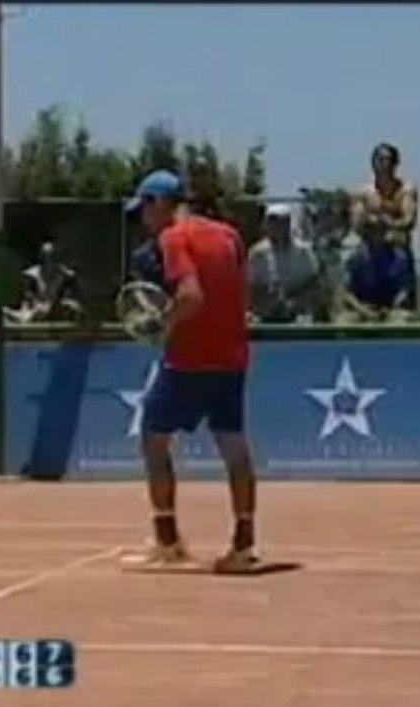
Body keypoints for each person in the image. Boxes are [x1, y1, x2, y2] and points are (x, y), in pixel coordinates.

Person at [120, 169, 259, 573]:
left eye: (144, 210)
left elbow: (191, 296)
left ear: (158, 203)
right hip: (232, 357)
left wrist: (162, 321)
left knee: (153, 438)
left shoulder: (172, 238)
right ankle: (243, 544)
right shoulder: (230, 235)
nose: (144, 221)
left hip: (189, 360)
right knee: (235, 449)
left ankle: (167, 541)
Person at [350, 142, 420, 310]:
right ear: (373, 163)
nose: (385, 165)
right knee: (356, 258)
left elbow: (408, 221)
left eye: (389, 160)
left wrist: (384, 222)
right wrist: (371, 221)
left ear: (396, 164)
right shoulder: (363, 193)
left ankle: (402, 300)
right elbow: (357, 225)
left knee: (401, 255)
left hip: (397, 254)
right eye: (380, 160)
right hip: (371, 255)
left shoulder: (406, 190)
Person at [247, 203, 323, 323]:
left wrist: (294, 301)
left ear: (288, 223)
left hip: (299, 316)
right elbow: (249, 288)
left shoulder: (303, 250)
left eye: (281, 221)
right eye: (272, 221)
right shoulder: (257, 253)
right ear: (266, 224)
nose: (277, 225)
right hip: (264, 316)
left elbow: (314, 284)